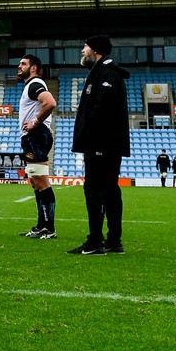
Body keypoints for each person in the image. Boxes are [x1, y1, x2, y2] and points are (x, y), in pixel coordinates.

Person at [68, 35, 129, 255]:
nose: (82, 51)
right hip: (104, 142)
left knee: (95, 190)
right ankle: (113, 241)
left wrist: (91, 138)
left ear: (95, 50)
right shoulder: (104, 72)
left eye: (84, 47)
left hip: (101, 143)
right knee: (110, 190)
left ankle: (96, 241)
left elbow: (101, 111)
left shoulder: (106, 74)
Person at [15, 54, 58, 240]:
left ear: (33, 68)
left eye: (23, 64)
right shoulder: (29, 87)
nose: (19, 66)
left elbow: (50, 103)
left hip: (36, 136)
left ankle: (49, 228)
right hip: (31, 138)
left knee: (41, 182)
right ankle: (41, 225)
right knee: (35, 182)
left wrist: (35, 123)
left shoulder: (35, 84)